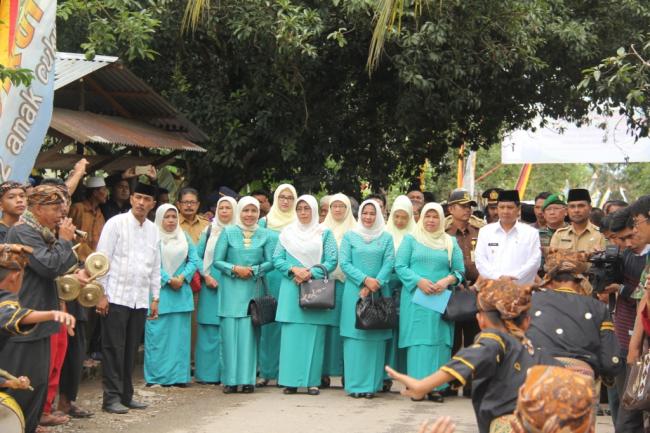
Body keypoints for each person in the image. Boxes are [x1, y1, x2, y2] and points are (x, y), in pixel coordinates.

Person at [386, 278, 558, 433]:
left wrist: (423, 385)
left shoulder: (495, 339)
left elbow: (477, 354)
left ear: (480, 320)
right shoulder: (537, 350)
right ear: (527, 321)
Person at [0, 185, 82, 433]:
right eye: (56, 208)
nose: (62, 213)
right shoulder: (23, 232)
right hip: (23, 321)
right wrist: (65, 241)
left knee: (38, 381)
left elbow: (62, 266)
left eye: (62, 207)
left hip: (41, 318)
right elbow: (49, 266)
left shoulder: (44, 233)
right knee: (20, 382)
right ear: (37, 209)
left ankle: (31, 422)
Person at [95, 182, 161, 414]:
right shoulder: (116, 224)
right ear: (132, 199)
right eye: (139, 197)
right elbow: (101, 259)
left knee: (131, 348)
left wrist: (155, 297)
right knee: (113, 348)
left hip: (140, 299)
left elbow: (155, 265)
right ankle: (110, 398)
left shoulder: (154, 230)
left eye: (147, 199)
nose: (142, 203)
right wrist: (101, 294)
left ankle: (126, 395)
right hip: (116, 296)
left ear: (153, 204)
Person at [395, 202, 465, 402]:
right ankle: (416, 386)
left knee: (438, 343)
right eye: (428, 216)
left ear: (442, 219)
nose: (431, 220)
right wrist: (419, 281)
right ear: (421, 218)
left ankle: (436, 387)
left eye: (435, 217)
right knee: (419, 343)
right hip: (416, 298)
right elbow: (399, 266)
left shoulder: (450, 242)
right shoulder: (411, 240)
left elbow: (460, 271)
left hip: (441, 299)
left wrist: (447, 280)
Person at [273, 195, 338, 395]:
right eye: (299, 208)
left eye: (307, 208)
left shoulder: (324, 233)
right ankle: (290, 381)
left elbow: (332, 260)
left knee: (314, 338)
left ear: (314, 211)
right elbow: (276, 258)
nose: (303, 212)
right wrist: (294, 270)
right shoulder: (287, 233)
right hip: (291, 288)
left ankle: (312, 381)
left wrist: (310, 272)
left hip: (314, 289)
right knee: (291, 338)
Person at [527, 250, 622, 380]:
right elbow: (610, 362)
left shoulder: (531, 302)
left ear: (548, 280)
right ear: (582, 280)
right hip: (580, 379)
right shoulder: (597, 307)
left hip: (538, 374)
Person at [213, 196, 273, 393]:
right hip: (231, 290)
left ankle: (248, 380)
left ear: (258, 213)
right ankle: (230, 381)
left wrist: (254, 270)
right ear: (239, 212)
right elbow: (217, 261)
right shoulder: (228, 232)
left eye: (253, 211)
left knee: (249, 336)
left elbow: (271, 262)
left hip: (252, 291)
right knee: (229, 336)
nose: (249, 215)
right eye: (245, 211)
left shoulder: (265, 234)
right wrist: (235, 269)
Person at [0, 244, 76, 391]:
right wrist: (52, 314)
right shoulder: (5, 299)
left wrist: (9, 383)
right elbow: (7, 315)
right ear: (15, 277)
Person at [339, 200, 394, 398]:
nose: (368, 217)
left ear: (378, 215)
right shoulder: (349, 236)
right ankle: (355, 386)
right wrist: (364, 280)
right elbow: (344, 262)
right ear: (360, 214)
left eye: (372, 213)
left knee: (375, 338)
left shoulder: (386, 237)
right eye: (365, 213)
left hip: (378, 292)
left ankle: (371, 386)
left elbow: (389, 262)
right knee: (355, 339)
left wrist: (375, 283)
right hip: (354, 291)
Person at [145, 204, 200, 386]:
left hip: (181, 292)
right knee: (158, 336)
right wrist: (169, 279)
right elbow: (149, 262)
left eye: (173, 217)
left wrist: (182, 277)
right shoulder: (153, 237)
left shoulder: (183, 236)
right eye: (166, 217)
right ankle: (157, 377)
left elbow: (194, 259)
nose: (170, 220)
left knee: (180, 338)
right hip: (159, 293)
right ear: (160, 218)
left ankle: (178, 377)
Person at [601, 208, 646, 431]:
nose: (626, 243)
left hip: (640, 343)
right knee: (621, 403)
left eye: (629, 236)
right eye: (617, 239)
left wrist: (622, 288)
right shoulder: (623, 254)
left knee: (633, 409)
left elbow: (643, 298)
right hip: (623, 335)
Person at [257, 184, 297, 386]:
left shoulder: (300, 222)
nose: (285, 201)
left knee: (289, 326)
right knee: (269, 325)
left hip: (292, 279)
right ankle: (267, 372)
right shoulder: (265, 222)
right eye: (282, 196)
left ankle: (287, 372)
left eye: (290, 197)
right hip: (270, 278)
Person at [194, 196, 237, 384]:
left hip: (233, 284)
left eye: (229, 208)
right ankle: (207, 374)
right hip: (210, 282)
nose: (225, 211)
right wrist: (205, 276)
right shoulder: (209, 230)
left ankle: (228, 374)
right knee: (208, 327)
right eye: (222, 208)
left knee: (230, 328)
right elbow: (196, 257)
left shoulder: (241, 233)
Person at [444, 189, 483, 390]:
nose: (468, 210)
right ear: (451, 209)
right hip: (450, 290)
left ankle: (470, 384)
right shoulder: (444, 232)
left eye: (469, 206)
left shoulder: (480, 231)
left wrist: (478, 284)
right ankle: (450, 381)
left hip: (477, 290)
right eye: (463, 206)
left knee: (474, 338)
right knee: (451, 338)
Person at [319, 193, 357, 386]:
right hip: (325, 283)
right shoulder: (320, 229)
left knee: (346, 327)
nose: (338, 210)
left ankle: (346, 372)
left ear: (348, 209)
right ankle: (323, 372)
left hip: (349, 285)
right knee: (326, 327)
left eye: (342, 206)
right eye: (335, 206)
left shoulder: (356, 229)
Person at [475, 190, 541, 284]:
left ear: (518, 209)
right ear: (497, 209)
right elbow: (480, 261)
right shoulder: (485, 232)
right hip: (492, 289)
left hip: (521, 290)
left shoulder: (531, 233)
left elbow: (534, 262)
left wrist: (513, 278)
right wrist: (499, 277)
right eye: (502, 207)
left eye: (510, 207)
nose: (505, 211)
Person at [384, 195, 416, 382]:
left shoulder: (415, 236)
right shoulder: (385, 235)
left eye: (404, 217)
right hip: (387, 287)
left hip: (408, 288)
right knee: (388, 330)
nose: (400, 221)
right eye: (397, 216)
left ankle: (404, 374)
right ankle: (386, 375)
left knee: (405, 331)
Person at [550, 189, 606, 253]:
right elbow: (552, 260)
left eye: (581, 206)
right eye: (572, 206)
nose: (576, 210)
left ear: (590, 208)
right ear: (567, 210)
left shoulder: (601, 235)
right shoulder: (559, 235)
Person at [69, 176, 107, 262]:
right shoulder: (78, 208)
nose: (106, 193)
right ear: (95, 192)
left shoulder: (99, 213)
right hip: (77, 260)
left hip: (95, 260)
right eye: (104, 190)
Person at [537, 194, 568, 261]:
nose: (552, 212)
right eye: (548, 209)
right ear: (544, 215)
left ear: (565, 211)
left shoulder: (572, 232)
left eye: (556, 208)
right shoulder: (536, 235)